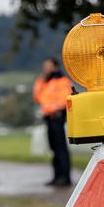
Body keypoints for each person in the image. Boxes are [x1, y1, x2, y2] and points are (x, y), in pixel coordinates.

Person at [33, 57, 73, 186]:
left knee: (61, 148)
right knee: (54, 148)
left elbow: (65, 99)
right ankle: (57, 177)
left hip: (57, 116)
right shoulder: (46, 82)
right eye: (45, 66)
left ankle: (65, 177)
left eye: (48, 66)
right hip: (49, 118)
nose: (46, 68)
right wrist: (41, 80)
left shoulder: (62, 81)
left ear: (55, 67)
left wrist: (55, 109)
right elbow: (37, 97)